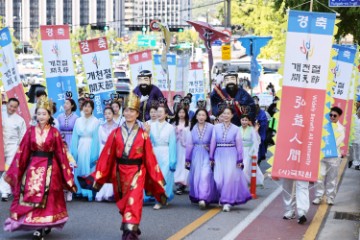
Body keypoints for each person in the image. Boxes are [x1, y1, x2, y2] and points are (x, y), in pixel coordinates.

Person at [77, 93, 167, 240]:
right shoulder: (115, 133)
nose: (128, 113)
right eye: (126, 110)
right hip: (120, 172)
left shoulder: (143, 135)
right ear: (123, 112)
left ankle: (131, 231)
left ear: (137, 113)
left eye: (132, 110)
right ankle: (129, 225)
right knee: (124, 202)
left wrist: (156, 178)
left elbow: (150, 158)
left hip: (137, 172)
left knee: (134, 199)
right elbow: (107, 155)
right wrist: (97, 174)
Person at [3, 96, 77, 240]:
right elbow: (22, 151)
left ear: (50, 115)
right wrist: (16, 171)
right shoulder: (30, 131)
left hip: (51, 168)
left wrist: (67, 172)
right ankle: (37, 225)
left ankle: (42, 226)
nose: (41, 116)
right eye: (39, 113)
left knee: (48, 197)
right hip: (33, 169)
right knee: (32, 195)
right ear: (36, 114)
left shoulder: (55, 132)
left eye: (44, 113)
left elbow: (61, 153)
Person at [210, 104, 252, 212]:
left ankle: (227, 202)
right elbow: (213, 142)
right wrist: (211, 157)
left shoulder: (236, 129)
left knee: (229, 179)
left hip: (231, 154)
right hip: (219, 154)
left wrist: (240, 159)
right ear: (221, 115)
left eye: (228, 113)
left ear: (232, 115)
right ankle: (222, 196)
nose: (226, 115)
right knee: (218, 179)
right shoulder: (216, 127)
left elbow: (239, 145)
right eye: (224, 113)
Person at [313, 106, 345, 205]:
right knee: (319, 177)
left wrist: (328, 147)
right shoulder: (324, 125)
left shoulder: (341, 129)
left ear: (339, 116)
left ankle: (330, 197)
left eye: (334, 115)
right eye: (330, 115)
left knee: (332, 178)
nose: (332, 117)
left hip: (334, 157)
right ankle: (318, 196)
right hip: (322, 156)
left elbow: (337, 143)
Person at [186, 108, 218, 209]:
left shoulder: (212, 127)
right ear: (196, 116)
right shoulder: (193, 128)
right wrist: (187, 159)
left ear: (206, 117)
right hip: (195, 155)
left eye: (203, 115)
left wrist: (211, 151)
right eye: (199, 115)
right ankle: (200, 196)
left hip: (207, 155)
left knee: (206, 175)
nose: (201, 117)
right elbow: (189, 144)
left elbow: (215, 141)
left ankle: (203, 198)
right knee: (197, 177)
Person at [149, 100, 177, 209]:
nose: (159, 114)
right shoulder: (151, 125)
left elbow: (173, 145)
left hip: (166, 153)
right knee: (155, 177)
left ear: (166, 114)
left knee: (165, 177)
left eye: (161, 112)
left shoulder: (170, 127)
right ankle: (160, 199)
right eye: (158, 111)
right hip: (155, 153)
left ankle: (162, 199)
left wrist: (173, 160)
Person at [70, 97, 100, 201]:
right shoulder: (78, 120)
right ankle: (79, 190)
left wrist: (95, 153)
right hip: (80, 145)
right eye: (85, 106)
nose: (86, 108)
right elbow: (74, 137)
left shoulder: (96, 121)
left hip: (90, 145)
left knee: (89, 167)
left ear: (92, 108)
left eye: (89, 106)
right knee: (80, 166)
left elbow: (97, 138)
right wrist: (73, 151)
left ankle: (88, 191)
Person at [0, 98, 26, 201]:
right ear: (7, 105)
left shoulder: (20, 120)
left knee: (8, 168)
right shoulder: (1, 115)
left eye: (15, 107)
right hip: (1, 145)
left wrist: (20, 149)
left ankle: (5, 191)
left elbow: (23, 136)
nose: (12, 108)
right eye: (11, 106)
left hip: (13, 146)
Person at [95, 107, 118, 202]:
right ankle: (101, 192)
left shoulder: (117, 127)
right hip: (103, 149)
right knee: (103, 170)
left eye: (109, 113)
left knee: (112, 170)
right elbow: (99, 140)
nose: (107, 115)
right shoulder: (101, 127)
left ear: (113, 114)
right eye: (106, 114)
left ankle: (110, 193)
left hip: (113, 150)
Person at [239, 114, 264, 186]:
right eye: (242, 120)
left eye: (246, 120)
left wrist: (253, 152)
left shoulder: (252, 130)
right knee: (238, 169)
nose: (244, 122)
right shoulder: (237, 129)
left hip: (248, 151)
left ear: (248, 121)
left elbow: (257, 140)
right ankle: (241, 185)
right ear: (240, 120)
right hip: (239, 151)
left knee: (245, 169)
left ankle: (244, 184)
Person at [173, 106, 190, 195]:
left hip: (185, 147)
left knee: (184, 164)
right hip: (176, 146)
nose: (181, 114)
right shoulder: (174, 124)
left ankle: (182, 184)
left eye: (183, 112)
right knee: (178, 164)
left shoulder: (189, 124)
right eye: (180, 112)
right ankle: (178, 182)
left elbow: (190, 136)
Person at [252, 97, 269, 164]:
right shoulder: (248, 110)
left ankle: (258, 161)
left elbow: (264, 123)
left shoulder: (262, 113)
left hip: (259, 133)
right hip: (250, 134)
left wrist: (258, 124)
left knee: (258, 147)